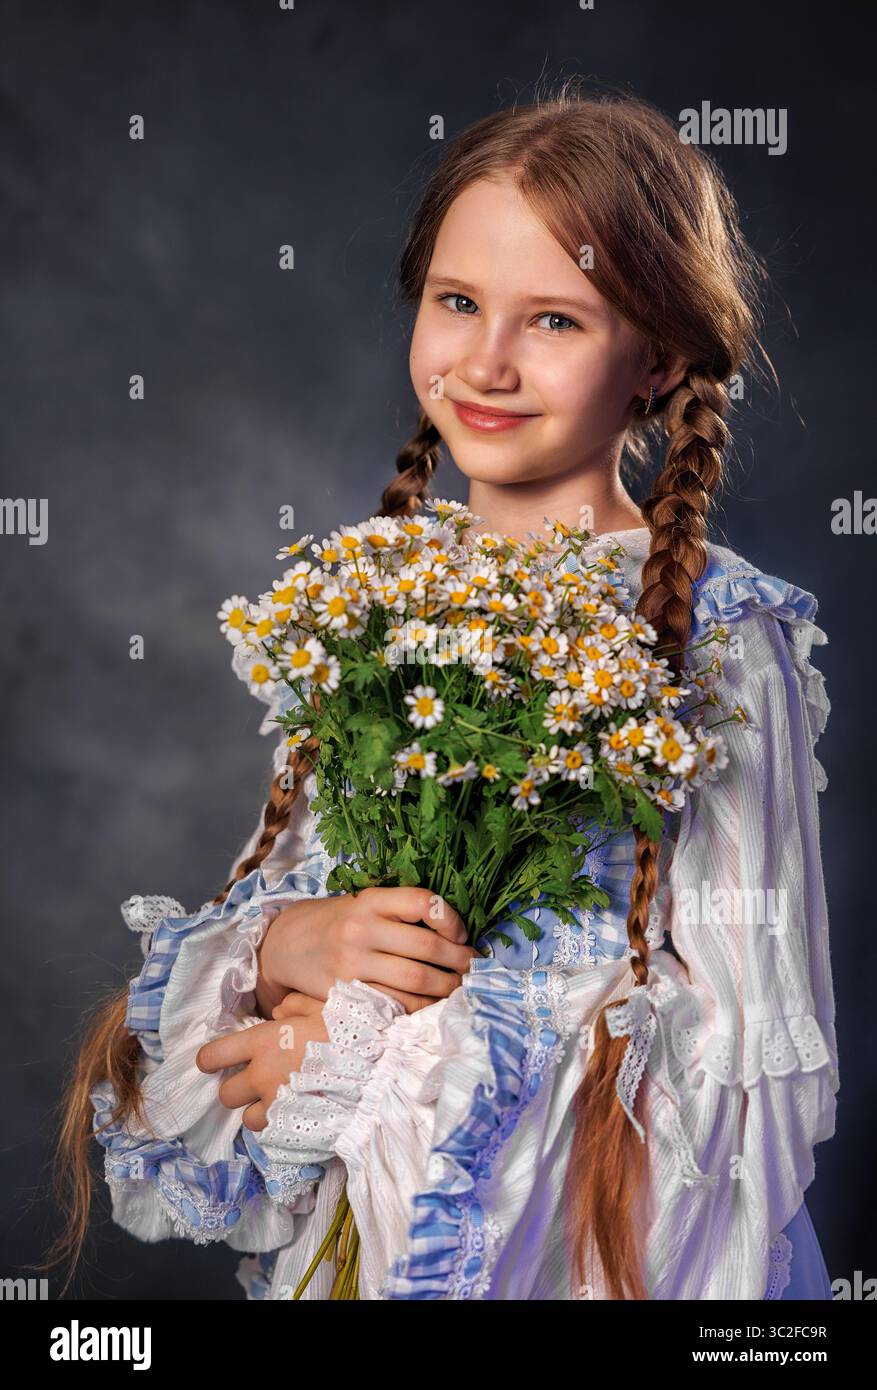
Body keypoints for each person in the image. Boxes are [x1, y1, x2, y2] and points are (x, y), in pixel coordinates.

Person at [50, 80, 838, 1300]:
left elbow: (733, 1073)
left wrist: (373, 1047)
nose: (485, 361)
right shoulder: (375, 607)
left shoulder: (719, 640)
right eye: (457, 301)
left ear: (658, 359)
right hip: (364, 1232)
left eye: (557, 322)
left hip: (585, 1259)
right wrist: (293, 946)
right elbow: (276, 923)